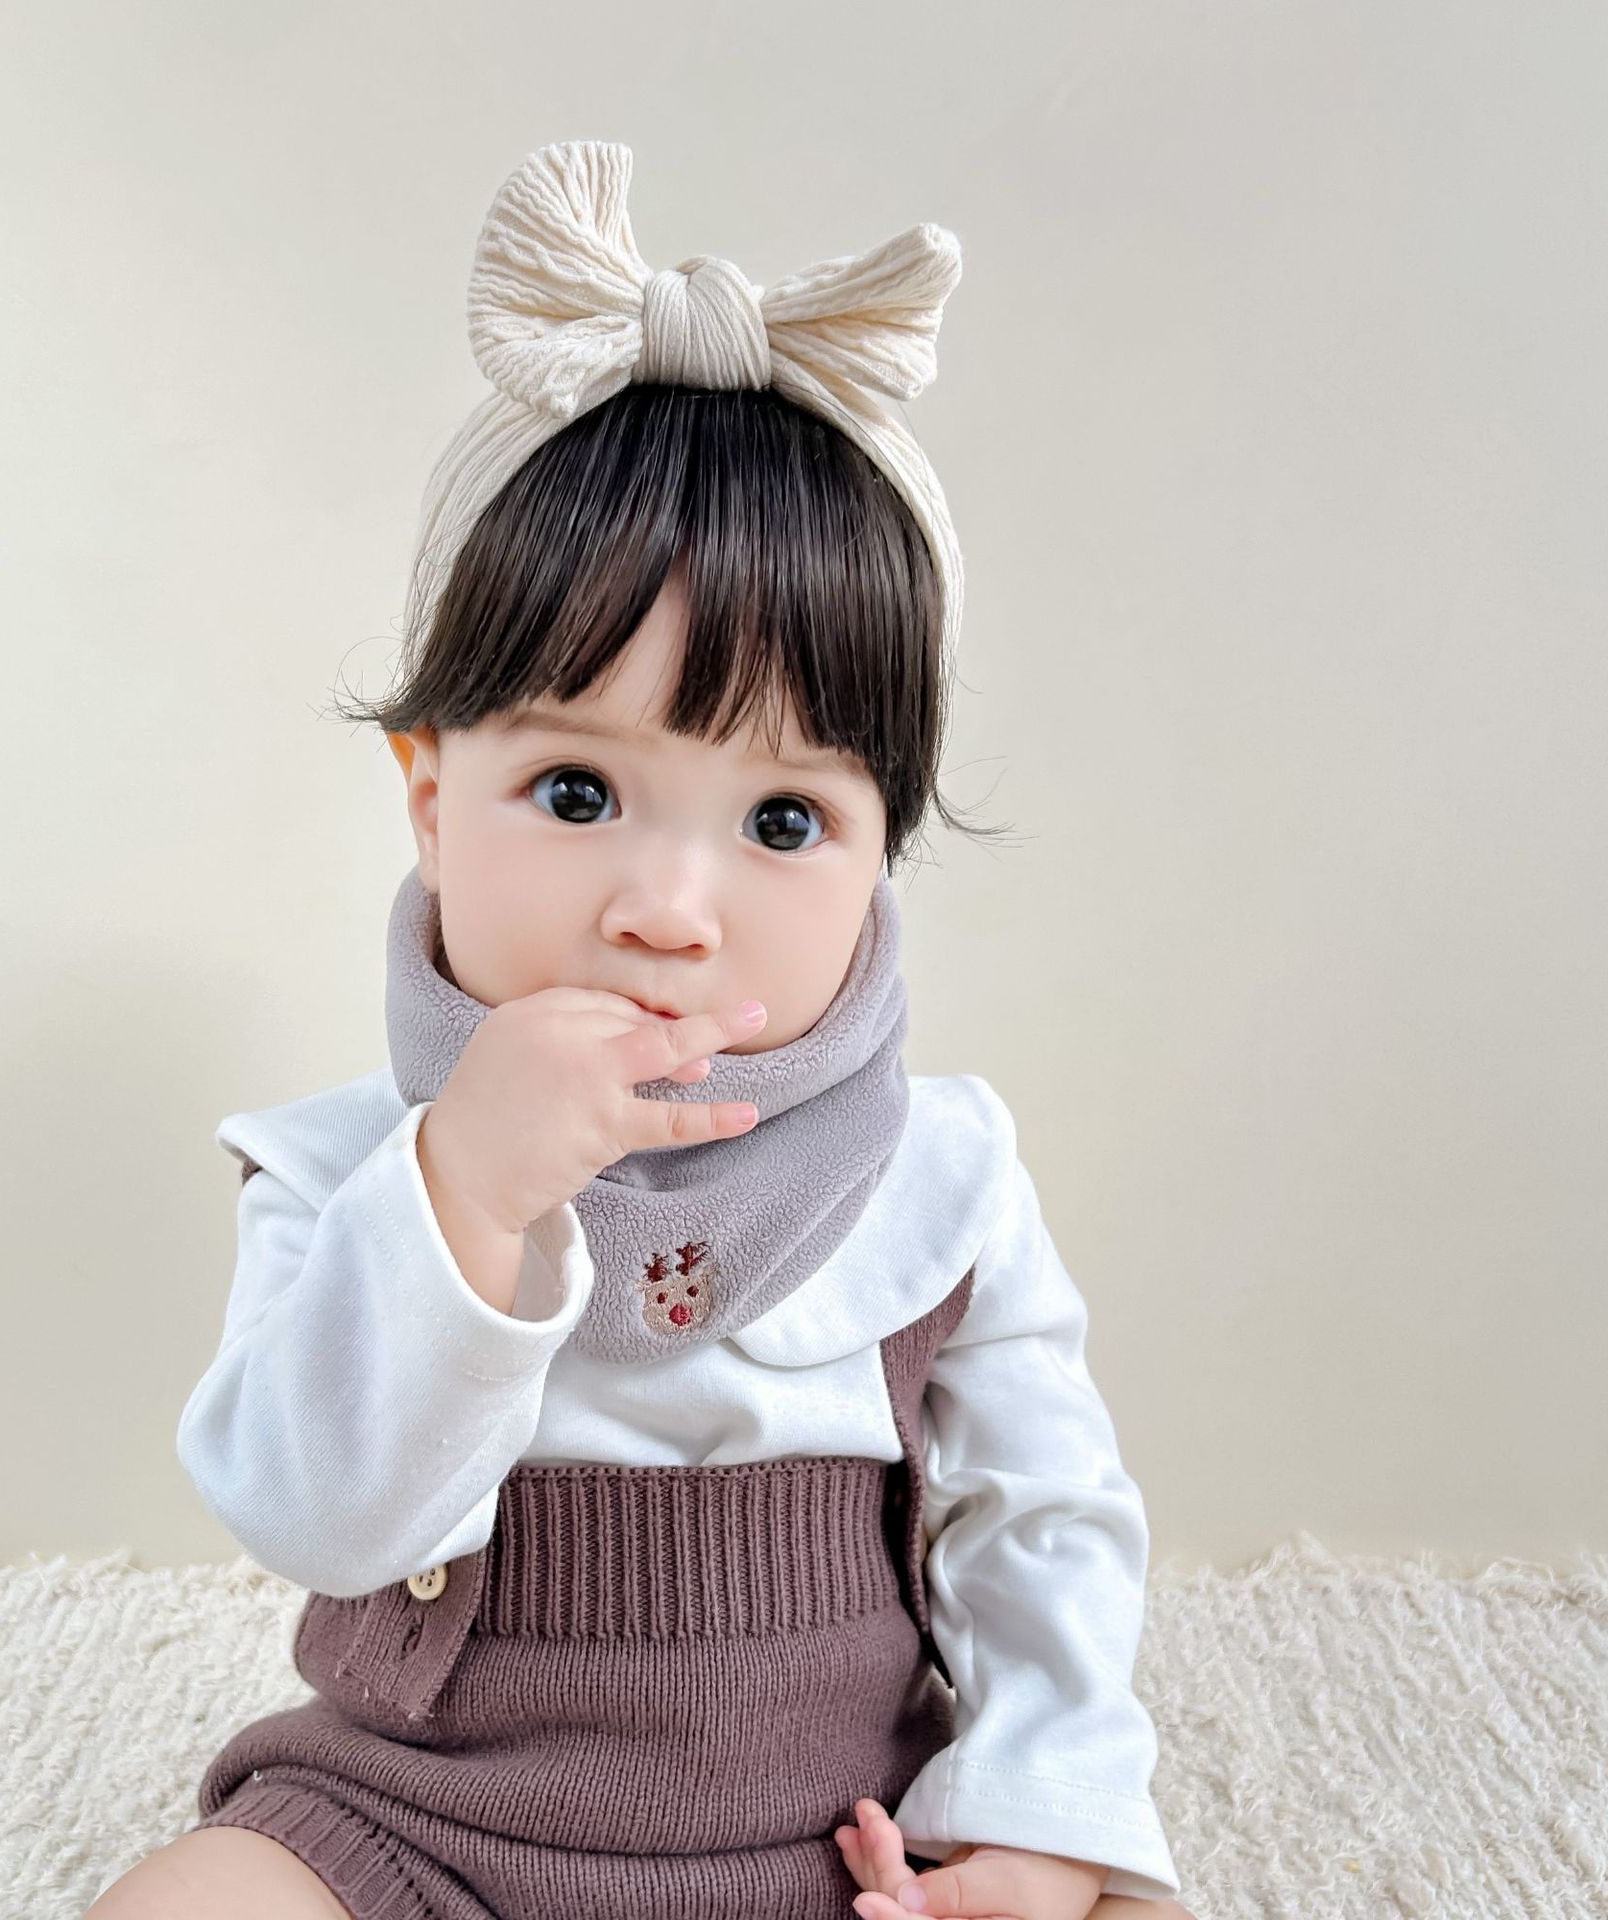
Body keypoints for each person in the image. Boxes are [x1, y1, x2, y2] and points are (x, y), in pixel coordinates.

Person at [87, 140, 1200, 1920]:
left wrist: (1045, 1827)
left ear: (882, 856)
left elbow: (1039, 1521)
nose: (668, 906)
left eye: (783, 820)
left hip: (836, 1836)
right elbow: (316, 1513)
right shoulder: (341, 1170)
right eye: (578, 790)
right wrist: (465, 1194)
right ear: (431, 798)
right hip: (421, 1821)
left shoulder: (944, 1179)